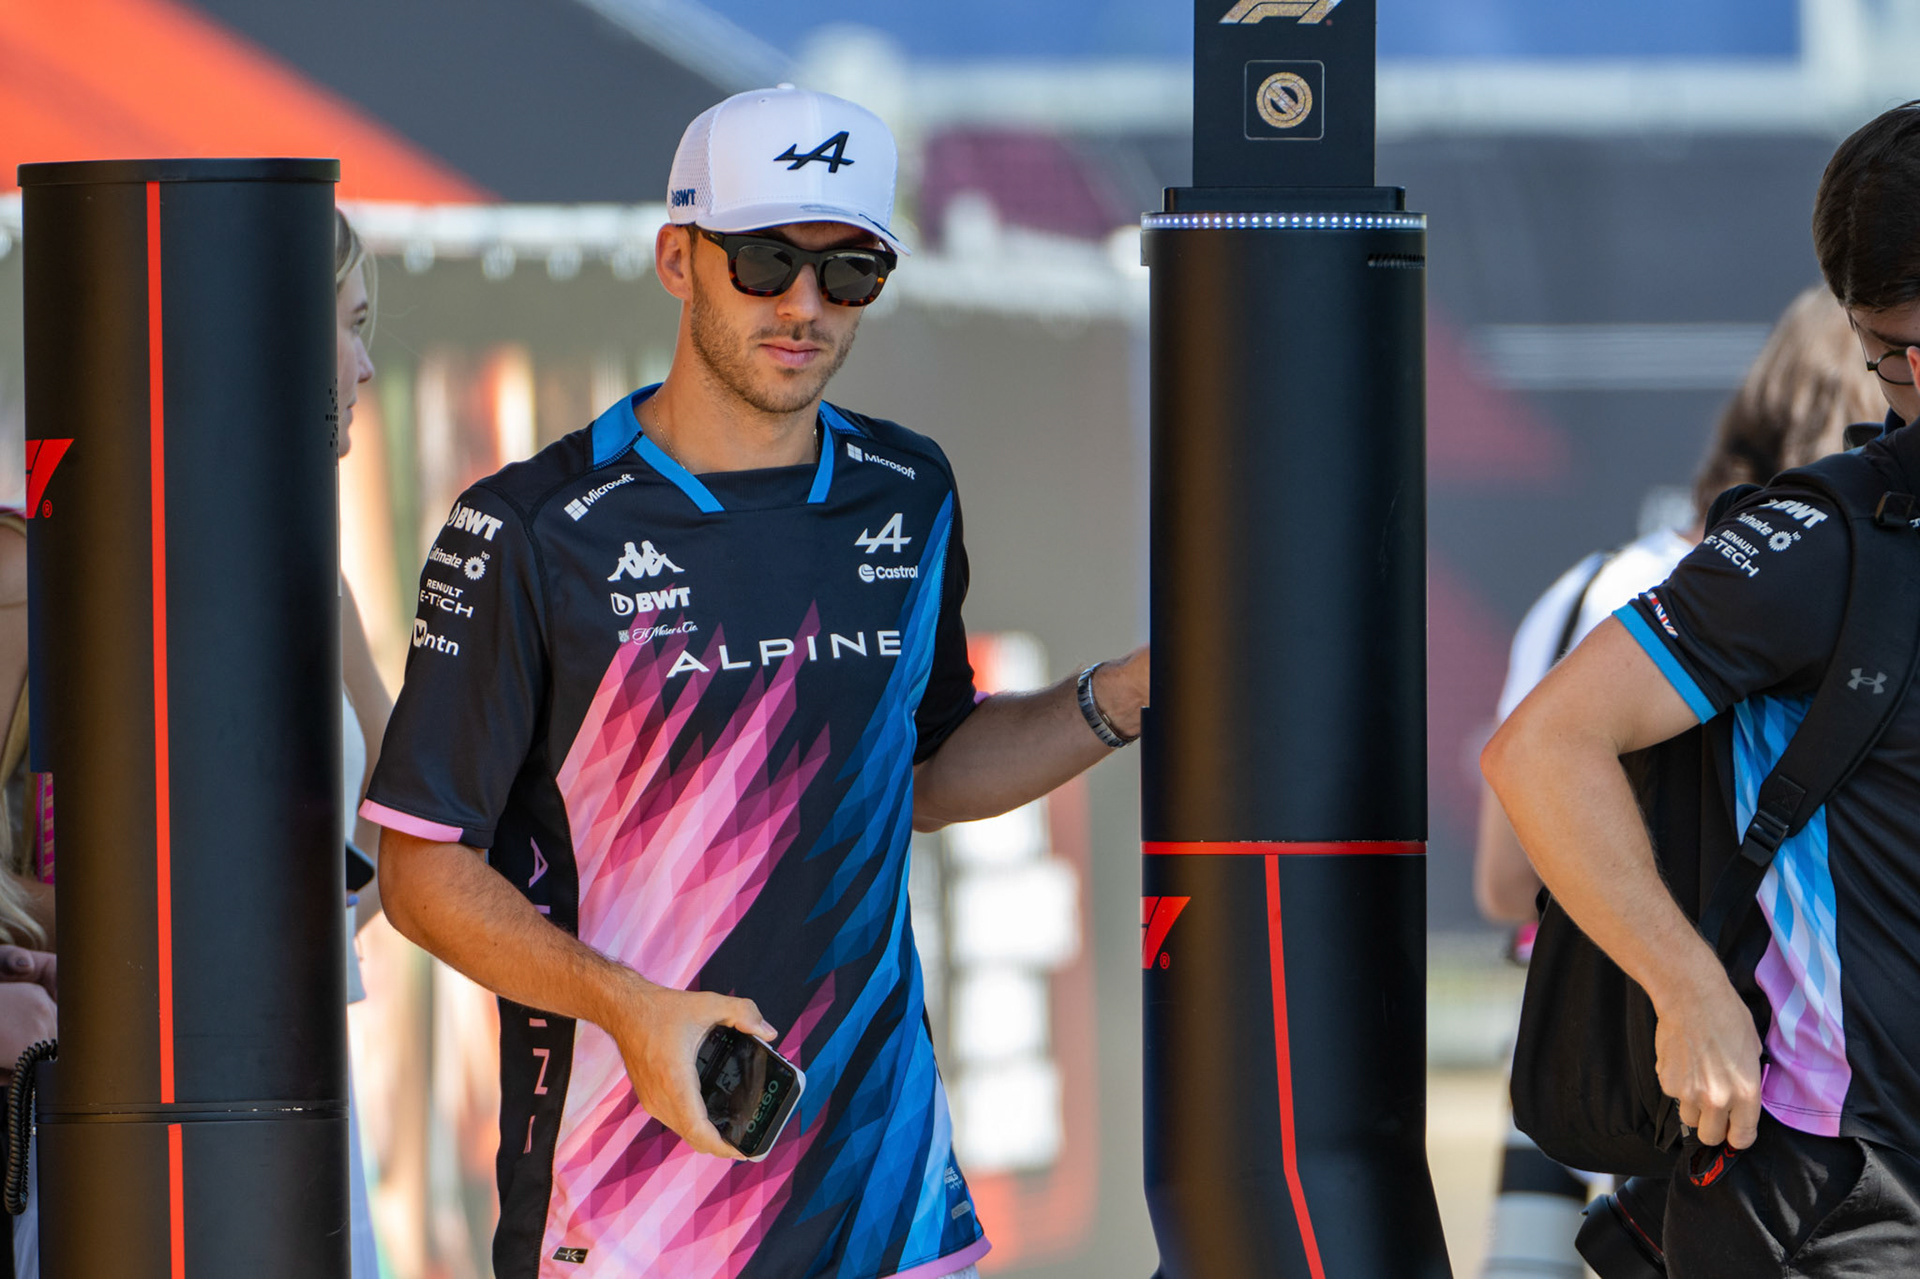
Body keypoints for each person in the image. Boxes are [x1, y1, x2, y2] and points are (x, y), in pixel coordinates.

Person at [361, 86, 1150, 1279]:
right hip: (633, 1213)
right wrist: (631, 1008)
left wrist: (1126, 696)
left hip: (888, 1205)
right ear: (679, 258)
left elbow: (926, 768)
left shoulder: (908, 490)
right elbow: (422, 873)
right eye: (767, 260)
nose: (803, 305)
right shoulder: (531, 528)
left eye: (848, 273)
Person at [1484, 101, 1920, 1275]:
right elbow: (1540, 749)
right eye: (1889, 350)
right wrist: (1687, 988)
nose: (1908, 381)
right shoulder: (1822, 538)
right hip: (1838, 1188)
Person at [333, 208, 392, 1279]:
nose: (368, 364)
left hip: (300, 1076)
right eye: (346, 323)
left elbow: (406, 822)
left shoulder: (315, 579)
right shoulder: (75, 567)